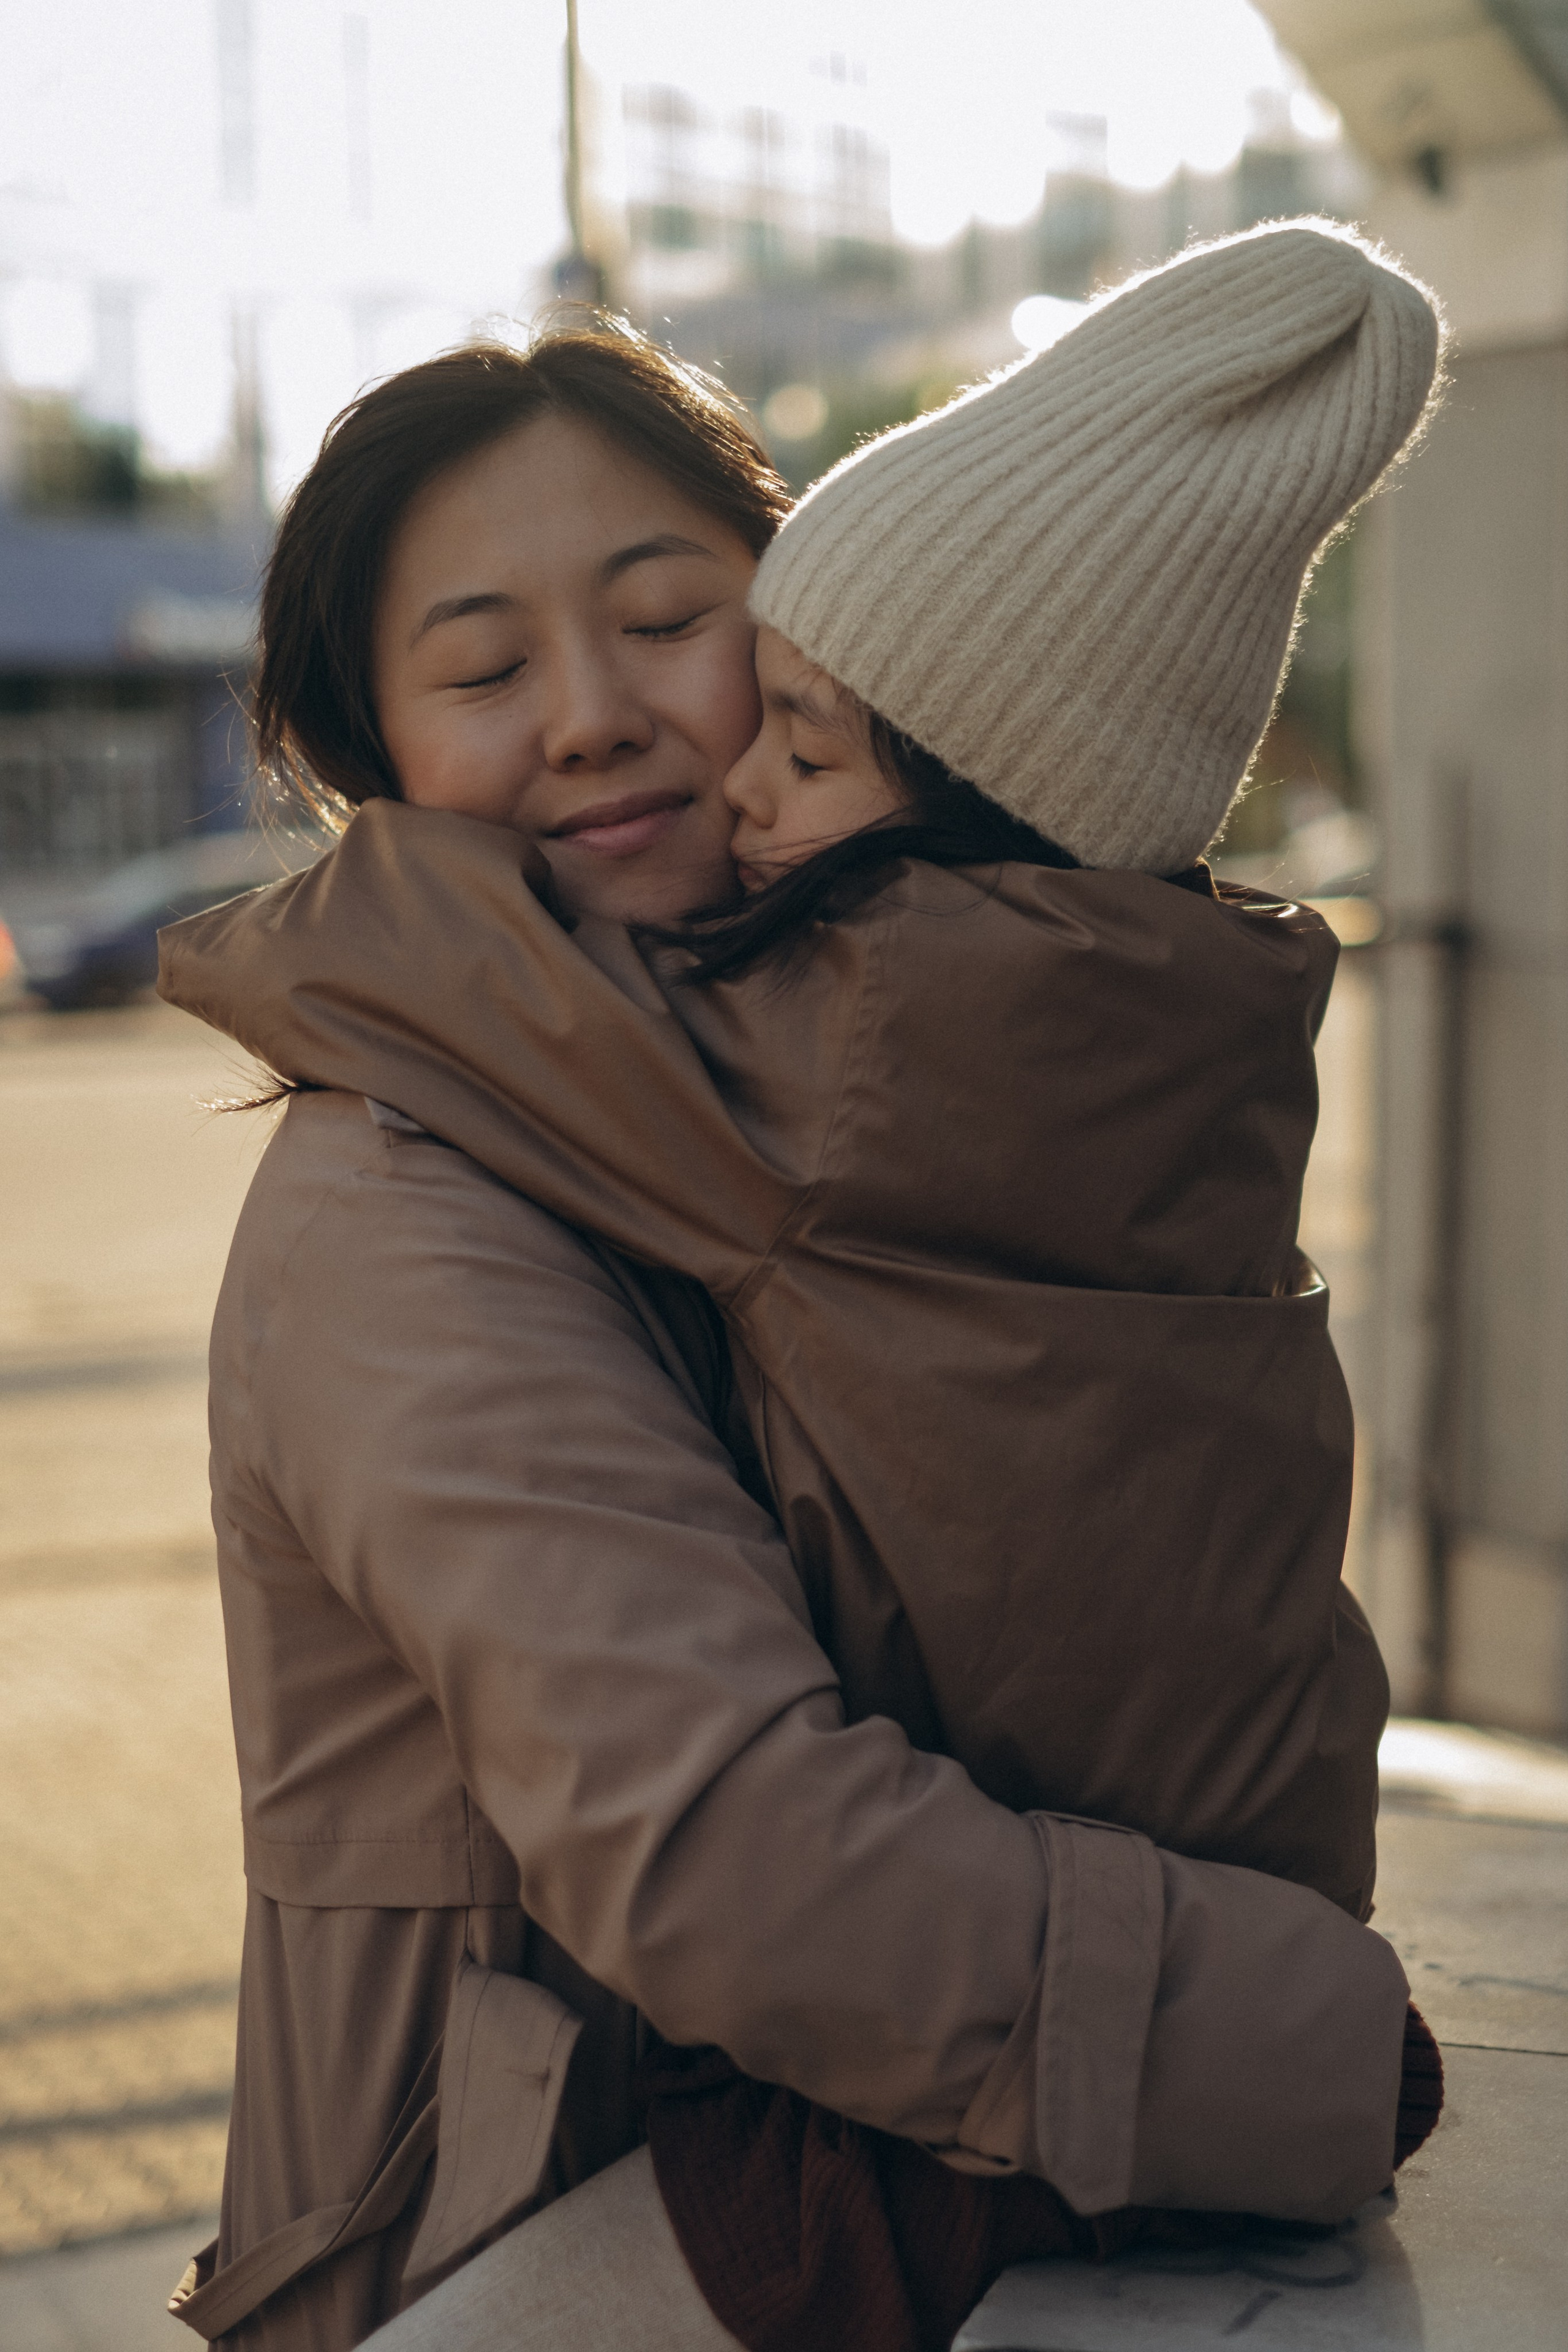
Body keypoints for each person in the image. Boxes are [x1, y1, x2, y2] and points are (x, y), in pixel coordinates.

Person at [160, 304, 1424, 2352]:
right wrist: (1301, 2037)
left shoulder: (828, 1087)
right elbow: (737, 1851)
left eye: (672, 619)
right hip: (508, 2242)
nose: (591, 716)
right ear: (375, 752)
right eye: (484, 671)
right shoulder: (401, 1207)